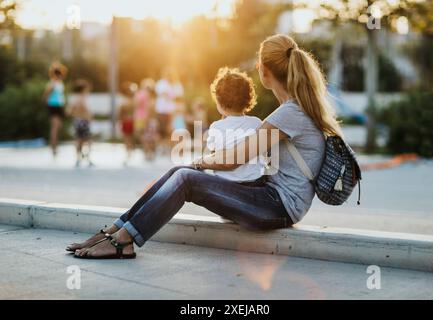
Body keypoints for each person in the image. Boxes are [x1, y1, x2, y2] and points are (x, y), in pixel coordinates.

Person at [67, 34, 342, 259]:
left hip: (279, 207)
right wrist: (196, 164)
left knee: (186, 177)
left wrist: (199, 162)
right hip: (269, 197)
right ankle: (115, 231)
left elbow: (235, 159)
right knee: (181, 170)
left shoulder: (289, 113)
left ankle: (123, 240)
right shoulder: (293, 110)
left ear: (264, 72)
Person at [206, 67, 266, 183]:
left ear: (219, 103)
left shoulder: (216, 127)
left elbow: (215, 156)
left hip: (225, 182)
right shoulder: (256, 123)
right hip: (254, 182)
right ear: (248, 99)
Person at [155, 68, 184, 153]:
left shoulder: (177, 84)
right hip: (161, 111)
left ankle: (170, 148)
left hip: (173, 111)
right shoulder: (161, 83)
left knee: (171, 131)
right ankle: (162, 147)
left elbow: (179, 98)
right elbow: (163, 94)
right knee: (161, 130)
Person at [42, 62, 67, 157]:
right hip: (54, 106)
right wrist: (47, 105)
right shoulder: (52, 83)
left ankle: (55, 146)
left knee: (58, 126)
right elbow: (45, 95)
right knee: (54, 128)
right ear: (58, 74)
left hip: (59, 106)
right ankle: (53, 149)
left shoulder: (59, 83)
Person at [66, 79, 93, 167]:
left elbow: (68, 112)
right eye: (87, 89)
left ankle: (78, 158)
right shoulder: (83, 99)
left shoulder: (75, 99)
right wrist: (89, 117)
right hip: (84, 121)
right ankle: (88, 159)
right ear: (84, 89)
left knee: (78, 140)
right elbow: (86, 110)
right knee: (88, 140)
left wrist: (75, 114)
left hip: (77, 121)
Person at [118, 83, 137, 165]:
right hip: (132, 121)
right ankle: (130, 153)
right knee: (131, 138)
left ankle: (128, 154)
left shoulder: (123, 102)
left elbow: (120, 114)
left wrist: (119, 122)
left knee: (127, 139)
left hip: (126, 121)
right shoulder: (134, 102)